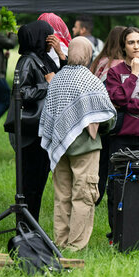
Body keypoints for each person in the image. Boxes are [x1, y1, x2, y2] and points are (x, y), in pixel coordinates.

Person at [39, 37, 116, 251]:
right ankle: (75, 245)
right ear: (88, 54)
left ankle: (60, 242)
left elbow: (50, 114)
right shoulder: (90, 80)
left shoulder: (58, 79)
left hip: (60, 147)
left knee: (62, 196)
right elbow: (107, 116)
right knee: (83, 195)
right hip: (86, 148)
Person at [8, 20, 66, 221]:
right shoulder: (27, 61)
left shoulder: (42, 59)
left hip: (41, 131)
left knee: (38, 185)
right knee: (29, 186)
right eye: (48, 36)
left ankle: (33, 227)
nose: (51, 40)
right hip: (30, 135)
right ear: (38, 38)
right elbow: (20, 92)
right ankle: (25, 228)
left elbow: (62, 80)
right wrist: (46, 85)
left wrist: (60, 54)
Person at [105, 27, 139, 233]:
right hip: (122, 137)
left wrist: (127, 105)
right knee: (117, 184)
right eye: (131, 42)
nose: (136, 46)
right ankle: (117, 231)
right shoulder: (114, 72)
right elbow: (116, 98)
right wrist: (134, 75)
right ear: (123, 46)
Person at [90, 25, 126, 206]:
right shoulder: (120, 65)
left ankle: (95, 195)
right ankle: (110, 195)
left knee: (100, 162)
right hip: (114, 117)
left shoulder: (99, 61)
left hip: (95, 117)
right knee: (113, 161)